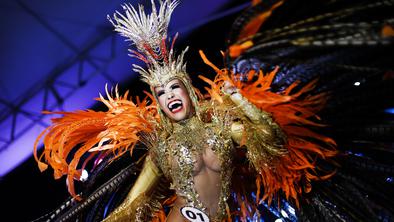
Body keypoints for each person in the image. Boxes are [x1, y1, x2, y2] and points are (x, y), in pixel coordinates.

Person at [34, 0, 394, 221]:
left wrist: (241, 103)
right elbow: (135, 204)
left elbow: (273, 145)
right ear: (157, 103)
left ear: (188, 91)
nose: (168, 96)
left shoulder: (223, 128)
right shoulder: (159, 149)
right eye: (160, 93)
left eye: (174, 87)